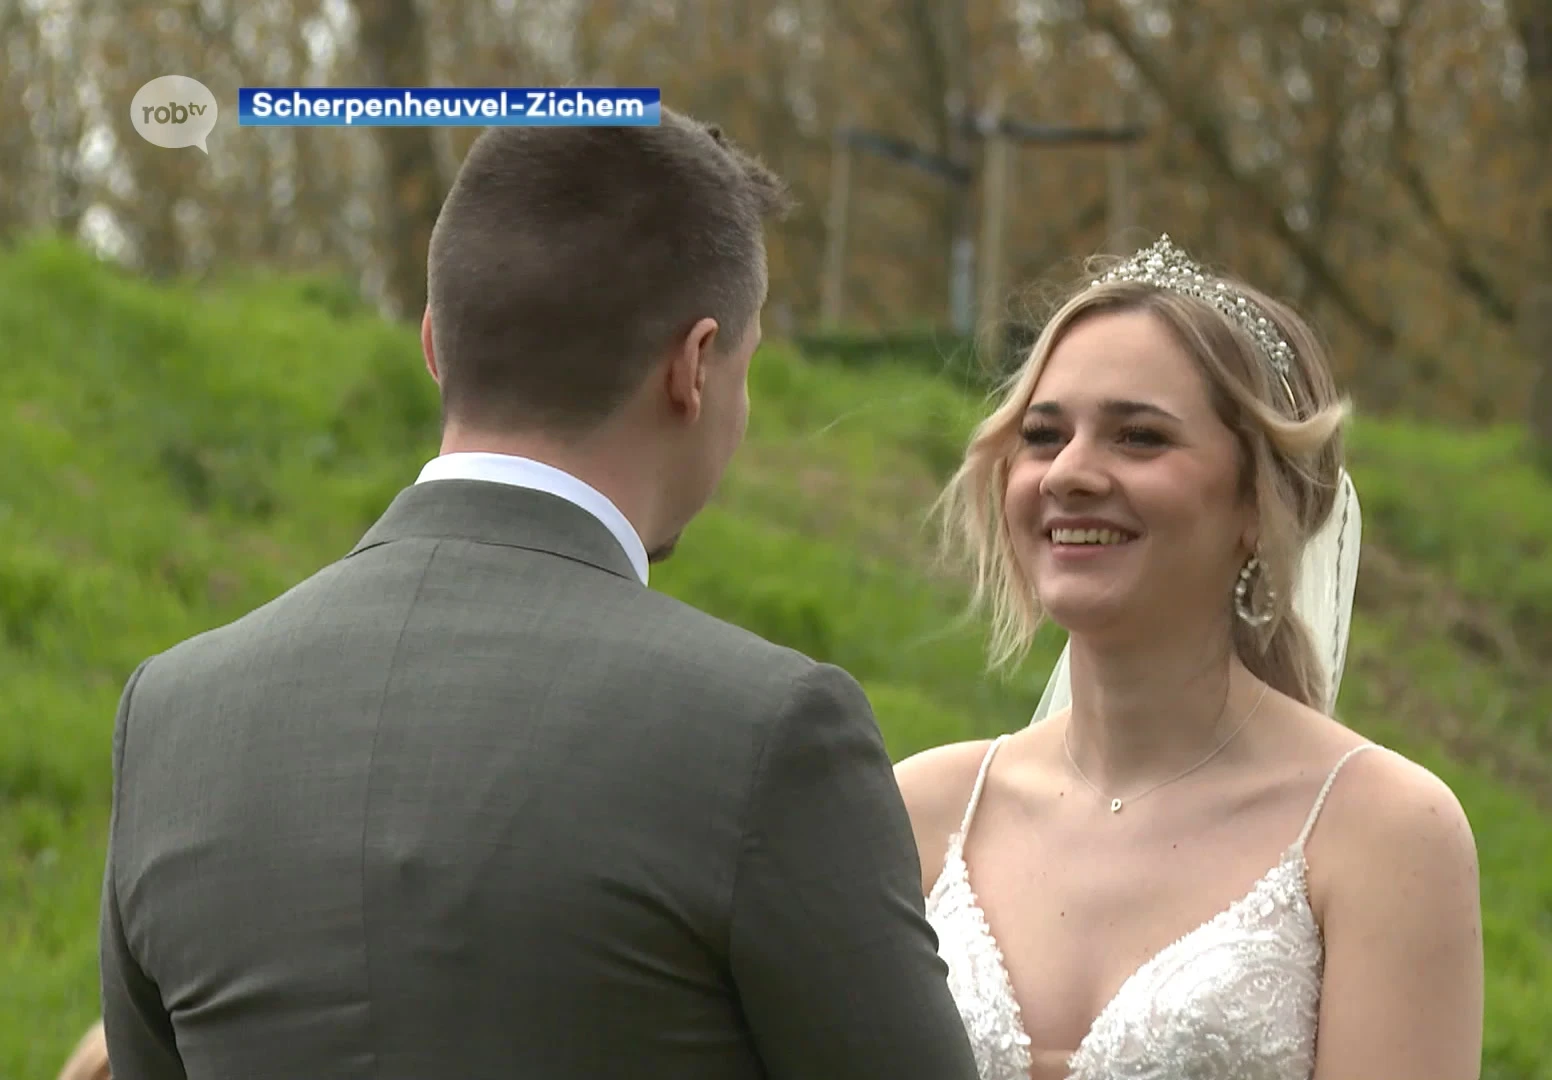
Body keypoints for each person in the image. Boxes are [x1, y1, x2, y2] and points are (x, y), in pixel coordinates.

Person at [97, 111, 979, 1080]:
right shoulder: (768, 732)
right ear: (694, 366)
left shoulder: (173, 715)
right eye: (748, 363)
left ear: (436, 346)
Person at [899, 236, 1484, 1080]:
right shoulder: (920, 812)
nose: (1069, 473)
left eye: (1138, 437)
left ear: (1257, 500)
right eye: (1043, 434)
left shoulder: (1383, 835)